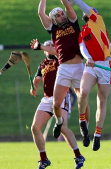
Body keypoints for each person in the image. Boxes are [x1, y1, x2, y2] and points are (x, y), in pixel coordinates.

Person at [56, 0, 111, 151]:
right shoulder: (83, 31)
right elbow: (82, 47)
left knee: (101, 101)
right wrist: (88, 58)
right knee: (83, 90)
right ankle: (83, 121)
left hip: (105, 65)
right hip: (92, 64)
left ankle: (97, 135)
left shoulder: (98, 19)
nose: (87, 10)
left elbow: (80, 3)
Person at [32, 0, 90, 147]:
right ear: (53, 19)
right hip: (64, 68)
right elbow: (40, 13)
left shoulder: (72, 21)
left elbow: (68, 6)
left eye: (61, 13)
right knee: (56, 103)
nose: (60, 16)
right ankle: (58, 122)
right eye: (56, 15)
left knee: (83, 98)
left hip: (78, 66)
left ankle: (85, 128)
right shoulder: (52, 29)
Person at [30, 40, 85, 169]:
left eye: (52, 45)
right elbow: (37, 80)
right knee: (35, 128)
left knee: (63, 128)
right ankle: (43, 159)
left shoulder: (60, 60)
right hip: (46, 99)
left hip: (61, 97)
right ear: (44, 51)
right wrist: (34, 88)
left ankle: (78, 156)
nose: (50, 47)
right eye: (47, 46)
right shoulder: (42, 64)